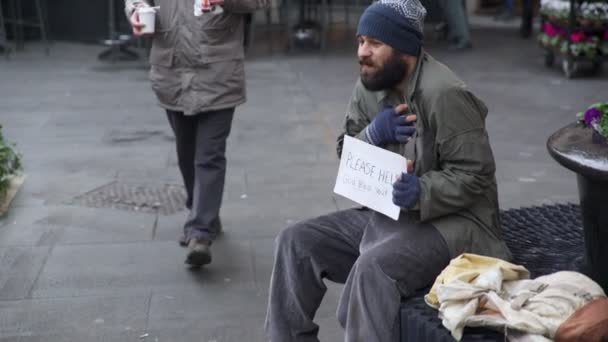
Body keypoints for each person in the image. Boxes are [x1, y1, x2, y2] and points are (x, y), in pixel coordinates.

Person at [265, 0, 511, 341]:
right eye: (360, 41)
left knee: (372, 269)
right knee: (295, 242)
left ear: (404, 49)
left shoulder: (445, 94)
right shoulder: (371, 81)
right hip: (389, 213)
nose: (362, 52)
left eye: (374, 44)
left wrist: (422, 191)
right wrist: (372, 134)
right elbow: (346, 148)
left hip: (457, 224)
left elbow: (476, 175)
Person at [125, 0, 270, 267]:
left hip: (219, 72)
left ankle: (200, 232)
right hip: (171, 73)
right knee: (186, 151)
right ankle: (204, 210)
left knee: (209, 155)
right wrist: (136, 10)